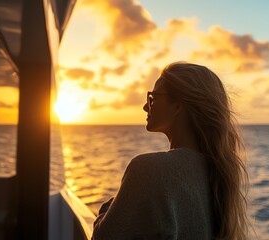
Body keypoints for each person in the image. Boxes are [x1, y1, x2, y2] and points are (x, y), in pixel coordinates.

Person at [92, 62, 250, 240]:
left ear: (178, 105)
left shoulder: (148, 169)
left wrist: (109, 207)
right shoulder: (218, 172)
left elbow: (102, 237)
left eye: (152, 98)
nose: (146, 107)